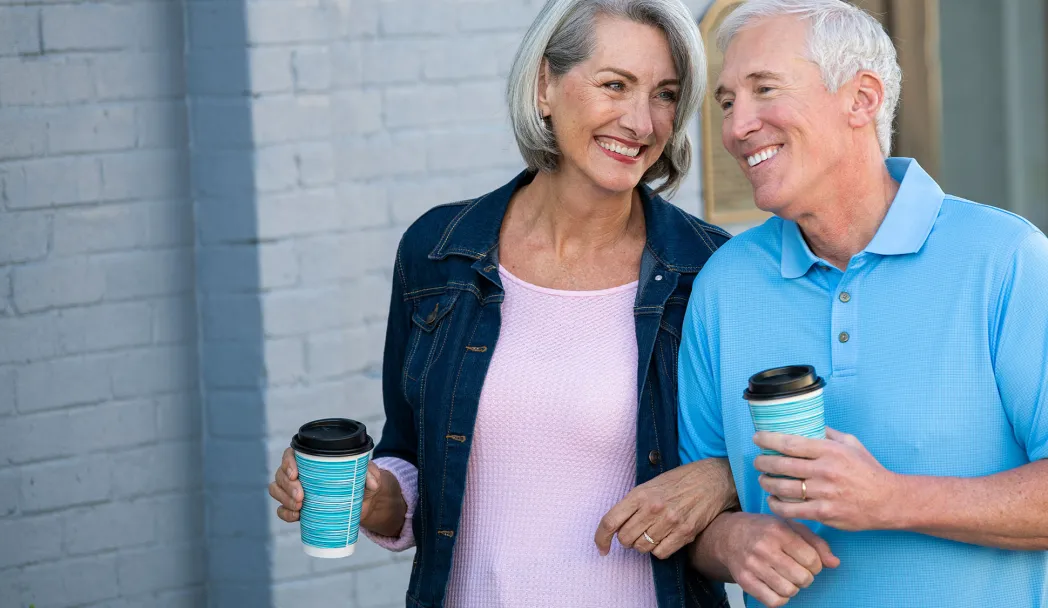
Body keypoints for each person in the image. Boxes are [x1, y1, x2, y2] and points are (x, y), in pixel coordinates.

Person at [269, 1, 753, 606]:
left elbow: (780, 443)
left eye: (664, 94)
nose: (640, 121)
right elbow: (411, 463)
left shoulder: (708, 269)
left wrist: (723, 477)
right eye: (614, 85)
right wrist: (374, 493)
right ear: (544, 84)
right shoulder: (438, 253)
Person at [676, 0, 1048, 607]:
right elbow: (702, 504)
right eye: (725, 101)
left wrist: (891, 499)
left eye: (764, 89)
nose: (736, 127)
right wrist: (730, 540)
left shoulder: (1006, 261)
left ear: (862, 99)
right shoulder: (724, 285)